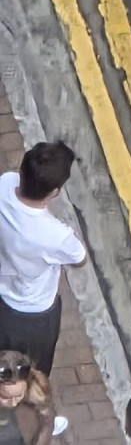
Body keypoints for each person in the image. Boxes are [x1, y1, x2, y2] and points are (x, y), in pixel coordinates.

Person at [0, 144, 87, 376]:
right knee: (29, 373)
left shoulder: (5, 183)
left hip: (3, 292)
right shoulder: (55, 236)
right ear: (54, 192)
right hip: (31, 313)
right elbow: (79, 259)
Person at [0, 349, 67, 442]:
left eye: (19, 396)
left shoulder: (39, 406)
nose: (14, 403)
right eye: (5, 397)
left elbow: (44, 431)